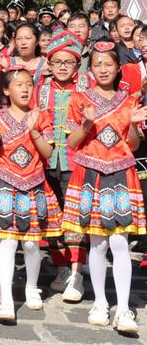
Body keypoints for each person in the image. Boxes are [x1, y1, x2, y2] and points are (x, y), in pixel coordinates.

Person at [63, 42, 147, 334]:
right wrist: (85, 124)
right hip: (89, 173)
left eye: (108, 64)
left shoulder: (128, 101)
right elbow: (71, 143)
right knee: (96, 243)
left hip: (121, 173)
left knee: (120, 242)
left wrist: (135, 126)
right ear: (90, 69)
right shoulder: (79, 99)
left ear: (117, 68)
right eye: (97, 64)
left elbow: (133, 145)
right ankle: (100, 302)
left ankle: (124, 308)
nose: (102, 69)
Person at [0, 68, 61, 323]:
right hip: (6, 182)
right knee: (7, 241)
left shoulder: (41, 116)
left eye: (29, 84)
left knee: (30, 243)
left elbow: (47, 153)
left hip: (34, 183)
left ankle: (31, 285)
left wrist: (34, 131)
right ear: (6, 90)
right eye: (19, 85)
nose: (26, 89)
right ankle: (6, 298)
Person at [37, 31, 91, 302]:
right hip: (47, 161)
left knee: (76, 218)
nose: (61, 67)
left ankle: (77, 271)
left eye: (67, 62)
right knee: (51, 217)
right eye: (56, 62)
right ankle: (61, 267)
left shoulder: (85, 88)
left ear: (76, 65)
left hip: (76, 162)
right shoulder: (42, 88)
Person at [10, 23, 49, 87]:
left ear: (37, 41)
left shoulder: (46, 65)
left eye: (27, 38)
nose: (23, 42)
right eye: (19, 38)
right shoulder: (8, 63)